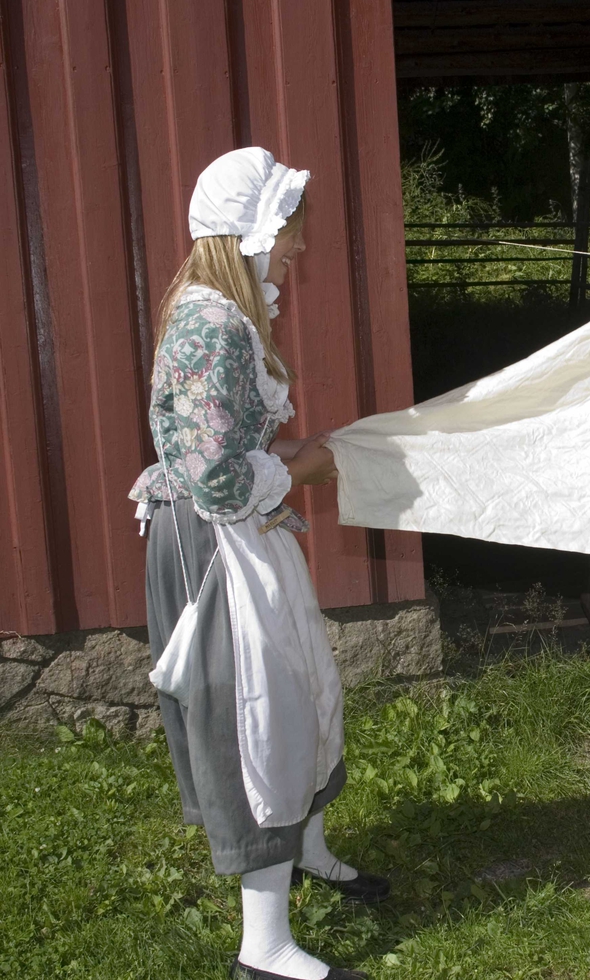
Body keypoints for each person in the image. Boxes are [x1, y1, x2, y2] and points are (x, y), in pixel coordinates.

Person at [130, 148, 385, 980]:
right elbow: (214, 477)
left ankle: (303, 848)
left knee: (301, 684)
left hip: (241, 530)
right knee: (258, 719)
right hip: (216, 546)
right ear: (247, 232)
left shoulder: (225, 316)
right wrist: (302, 467)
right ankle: (264, 948)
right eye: (289, 230)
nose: (299, 248)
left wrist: (291, 461)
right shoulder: (211, 325)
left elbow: (223, 449)